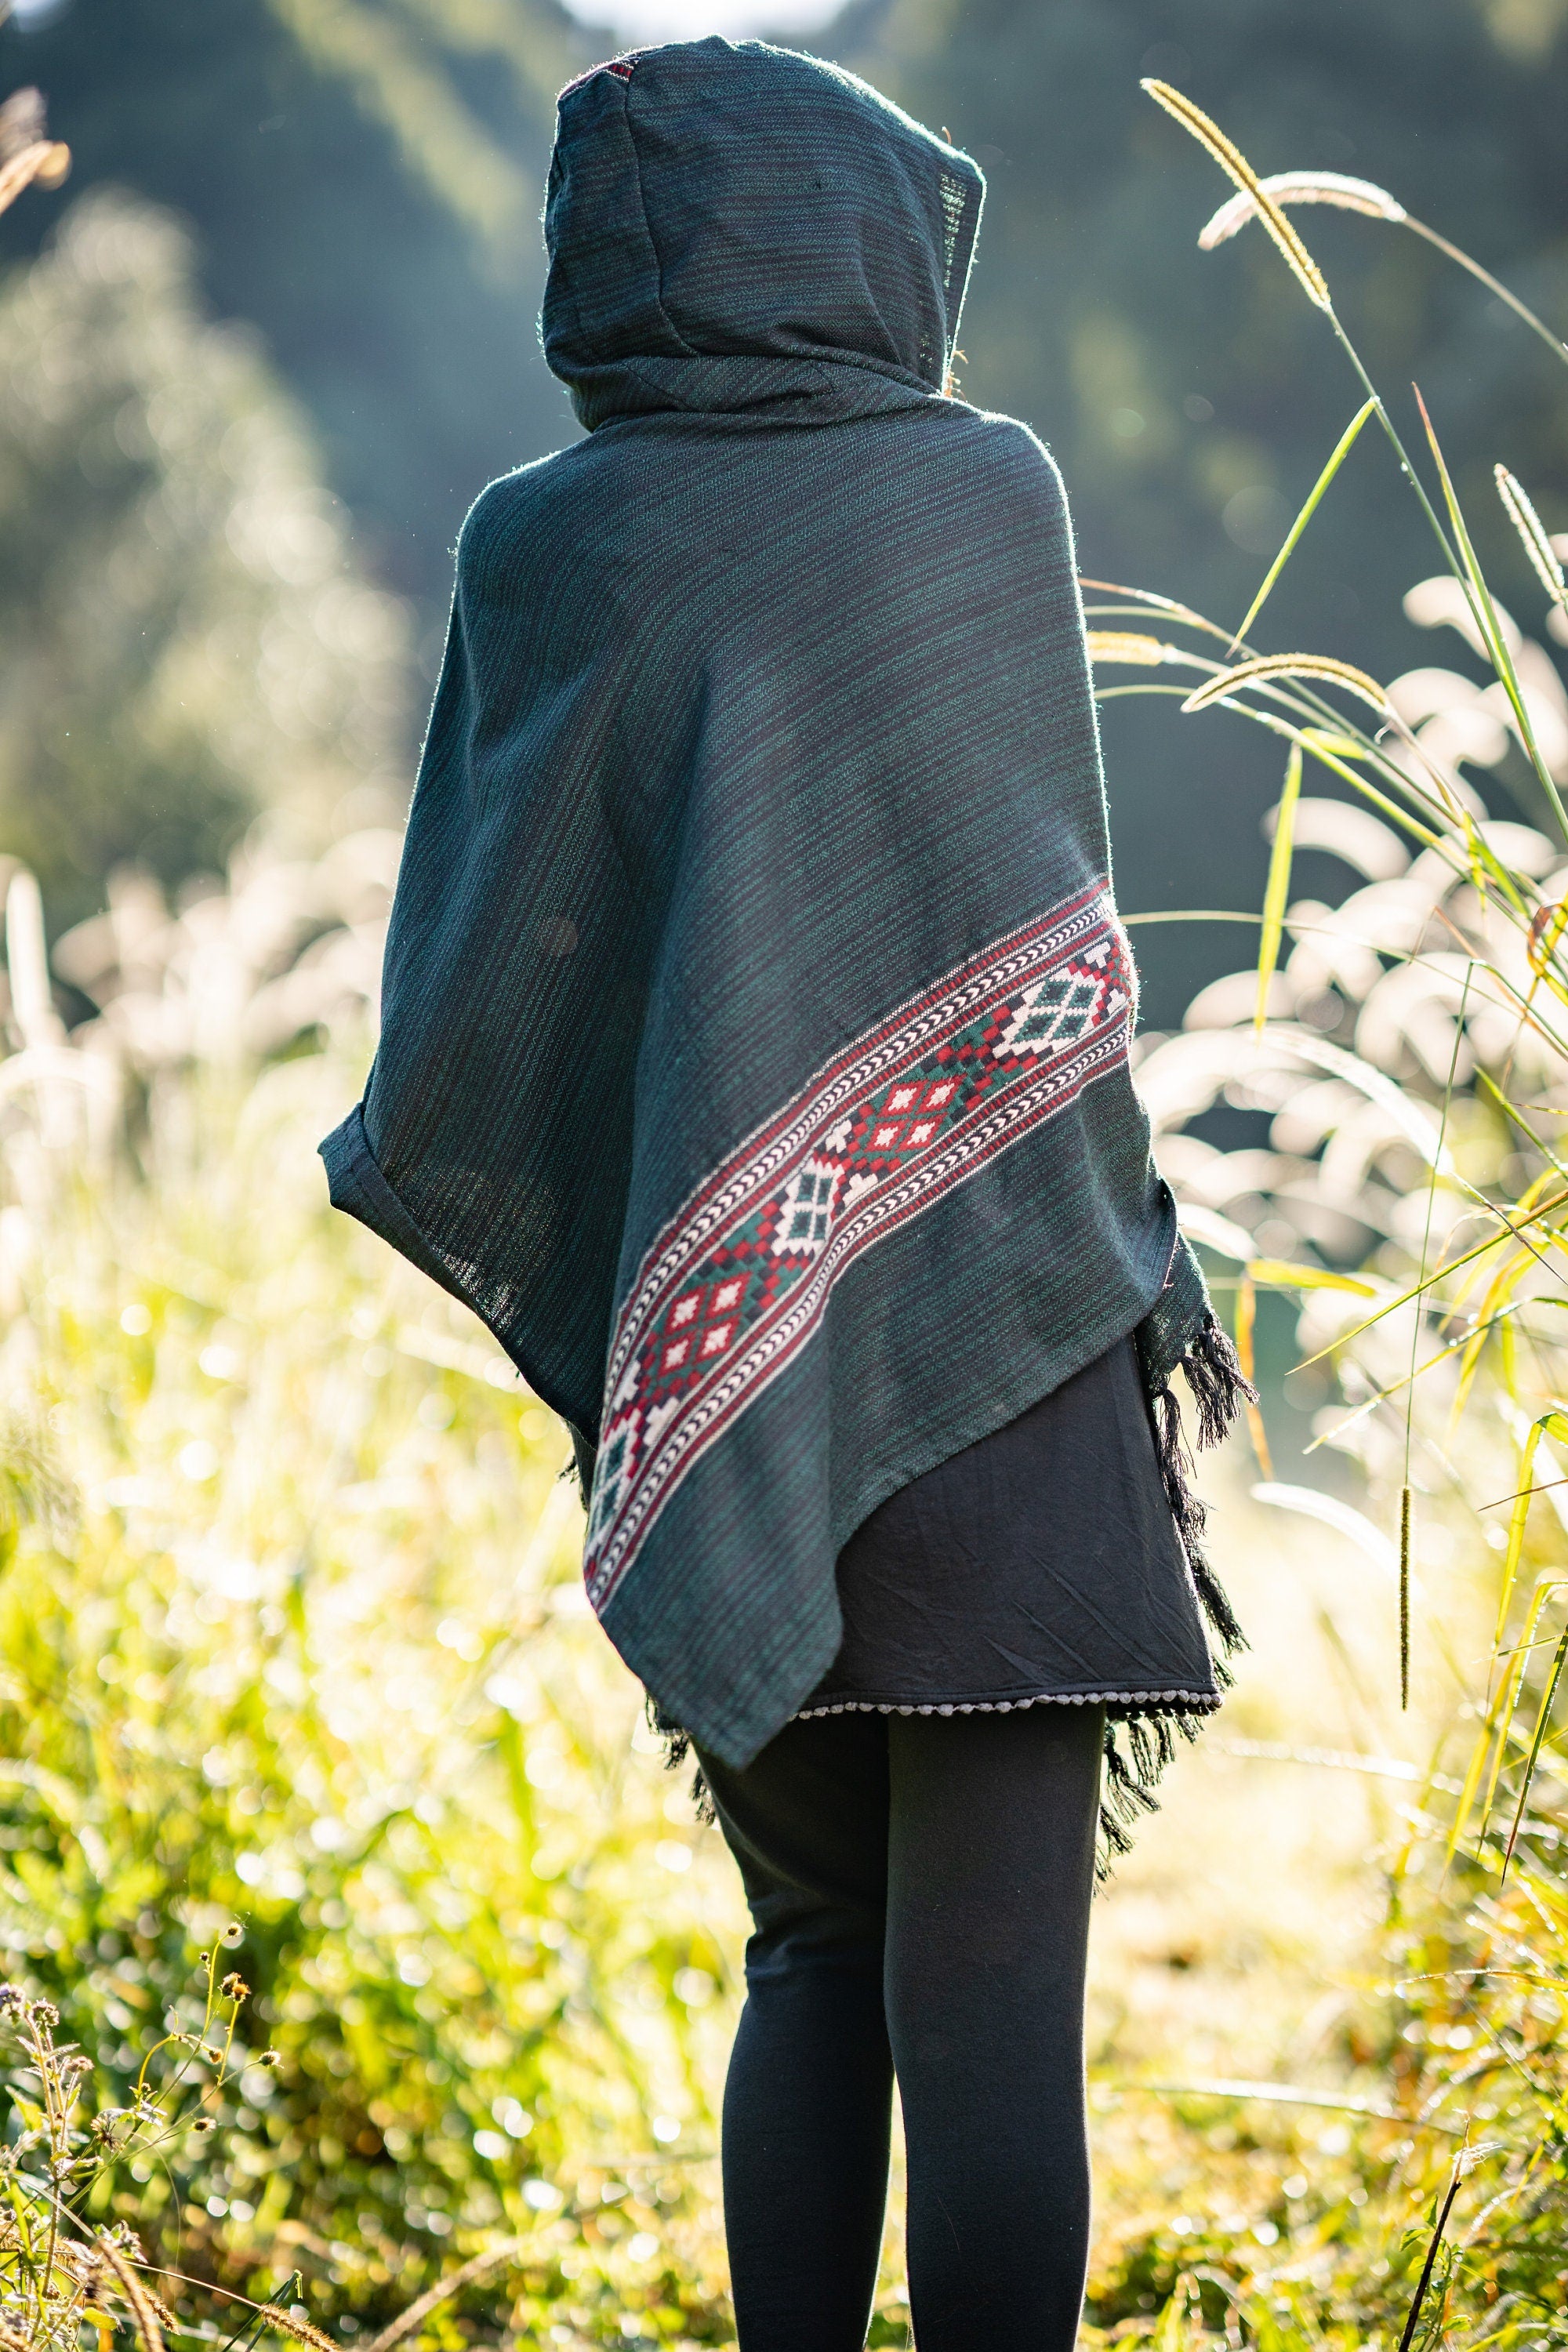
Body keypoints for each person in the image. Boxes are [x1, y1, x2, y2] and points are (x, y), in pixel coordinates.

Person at [321, 37, 1248, 2349]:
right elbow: (1045, 937)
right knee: (994, 2004)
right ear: (850, 234)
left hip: (729, 1348)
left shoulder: (539, 542)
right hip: (1007, 1329)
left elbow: (486, 993)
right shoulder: (976, 496)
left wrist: (681, 1218)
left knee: (812, 1953)